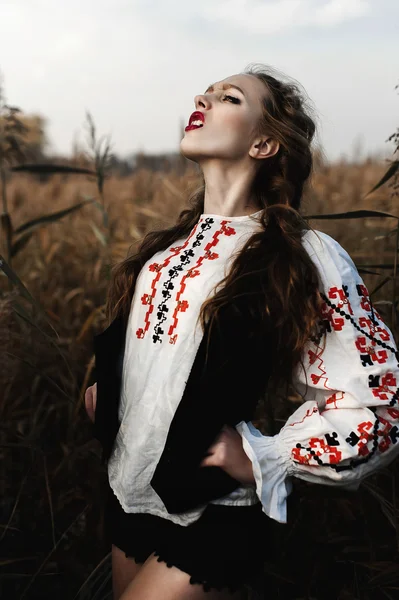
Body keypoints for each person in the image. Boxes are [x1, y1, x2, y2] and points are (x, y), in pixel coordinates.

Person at [85, 63, 399, 600]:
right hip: (126, 496)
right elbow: (149, 357)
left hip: (212, 514)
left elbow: (382, 400)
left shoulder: (300, 255)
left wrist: (267, 455)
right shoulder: (162, 253)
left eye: (228, 97)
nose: (202, 99)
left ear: (263, 144)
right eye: (205, 92)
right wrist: (105, 393)